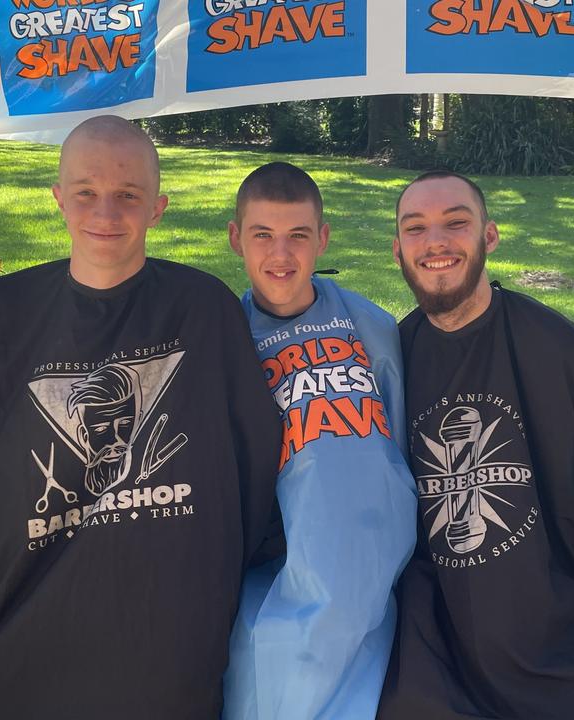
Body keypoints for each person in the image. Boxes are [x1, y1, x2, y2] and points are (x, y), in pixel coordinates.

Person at [0, 116, 281, 718]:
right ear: (57, 198)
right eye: (86, 193)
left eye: (128, 195)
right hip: (23, 631)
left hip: (168, 643)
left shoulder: (205, 308)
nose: (106, 212)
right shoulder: (9, 311)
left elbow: (254, 465)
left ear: (158, 207)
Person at [376, 171, 574, 719]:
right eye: (416, 229)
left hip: (561, 636)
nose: (435, 242)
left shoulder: (558, 348)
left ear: (490, 235)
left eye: (455, 223)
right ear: (397, 249)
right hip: (438, 642)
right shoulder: (393, 360)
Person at [220, 162, 416, 720]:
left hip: (376, 545)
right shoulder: (227, 336)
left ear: (323, 238)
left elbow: (400, 425)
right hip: (281, 554)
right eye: (263, 235)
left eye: (298, 236)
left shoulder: (369, 323)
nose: (281, 256)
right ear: (237, 239)